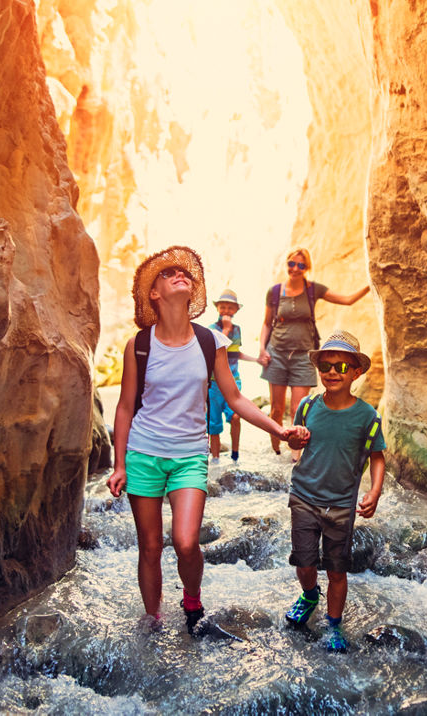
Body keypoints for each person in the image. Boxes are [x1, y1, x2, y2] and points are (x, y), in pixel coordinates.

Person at [107, 246, 308, 634]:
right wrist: (118, 464)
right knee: (149, 547)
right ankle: (152, 622)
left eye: (184, 273)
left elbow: (235, 398)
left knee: (185, 542)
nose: (179, 275)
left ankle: (192, 597)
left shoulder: (210, 341)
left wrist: (277, 429)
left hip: (189, 457)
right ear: (155, 293)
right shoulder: (140, 344)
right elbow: (125, 407)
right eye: (168, 274)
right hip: (143, 454)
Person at [282, 330, 386, 653]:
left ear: (355, 372)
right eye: (326, 365)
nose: (331, 372)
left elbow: (377, 457)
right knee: (304, 562)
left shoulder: (367, 417)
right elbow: (295, 444)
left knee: (337, 570)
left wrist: (375, 491)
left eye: (341, 367)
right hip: (303, 497)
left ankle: (334, 625)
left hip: (341, 506)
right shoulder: (308, 405)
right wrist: (294, 442)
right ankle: (310, 594)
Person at [258, 247, 371, 462]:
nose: (295, 269)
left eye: (301, 265)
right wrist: (262, 349)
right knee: (276, 410)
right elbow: (266, 324)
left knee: (298, 410)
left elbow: (347, 300)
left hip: (302, 356)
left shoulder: (313, 290)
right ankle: (276, 453)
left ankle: (295, 459)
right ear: (287, 264)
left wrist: (371, 282)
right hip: (277, 354)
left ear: (307, 268)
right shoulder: (274, 292)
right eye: (292, 263)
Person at [207, 289, 244, 463]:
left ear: (235, 310)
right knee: (213, 423)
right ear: (217, 309)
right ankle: (215, 460)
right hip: (214, 384)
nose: (226, 311)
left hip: (233, 380)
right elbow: (213, 348)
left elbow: (236, 353)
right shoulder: (212, 330)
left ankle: (235, 454)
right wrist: (226, 329)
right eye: (223, 307)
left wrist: (258, 359)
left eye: (230, 308)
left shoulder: (238, 330)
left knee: (236, 416)